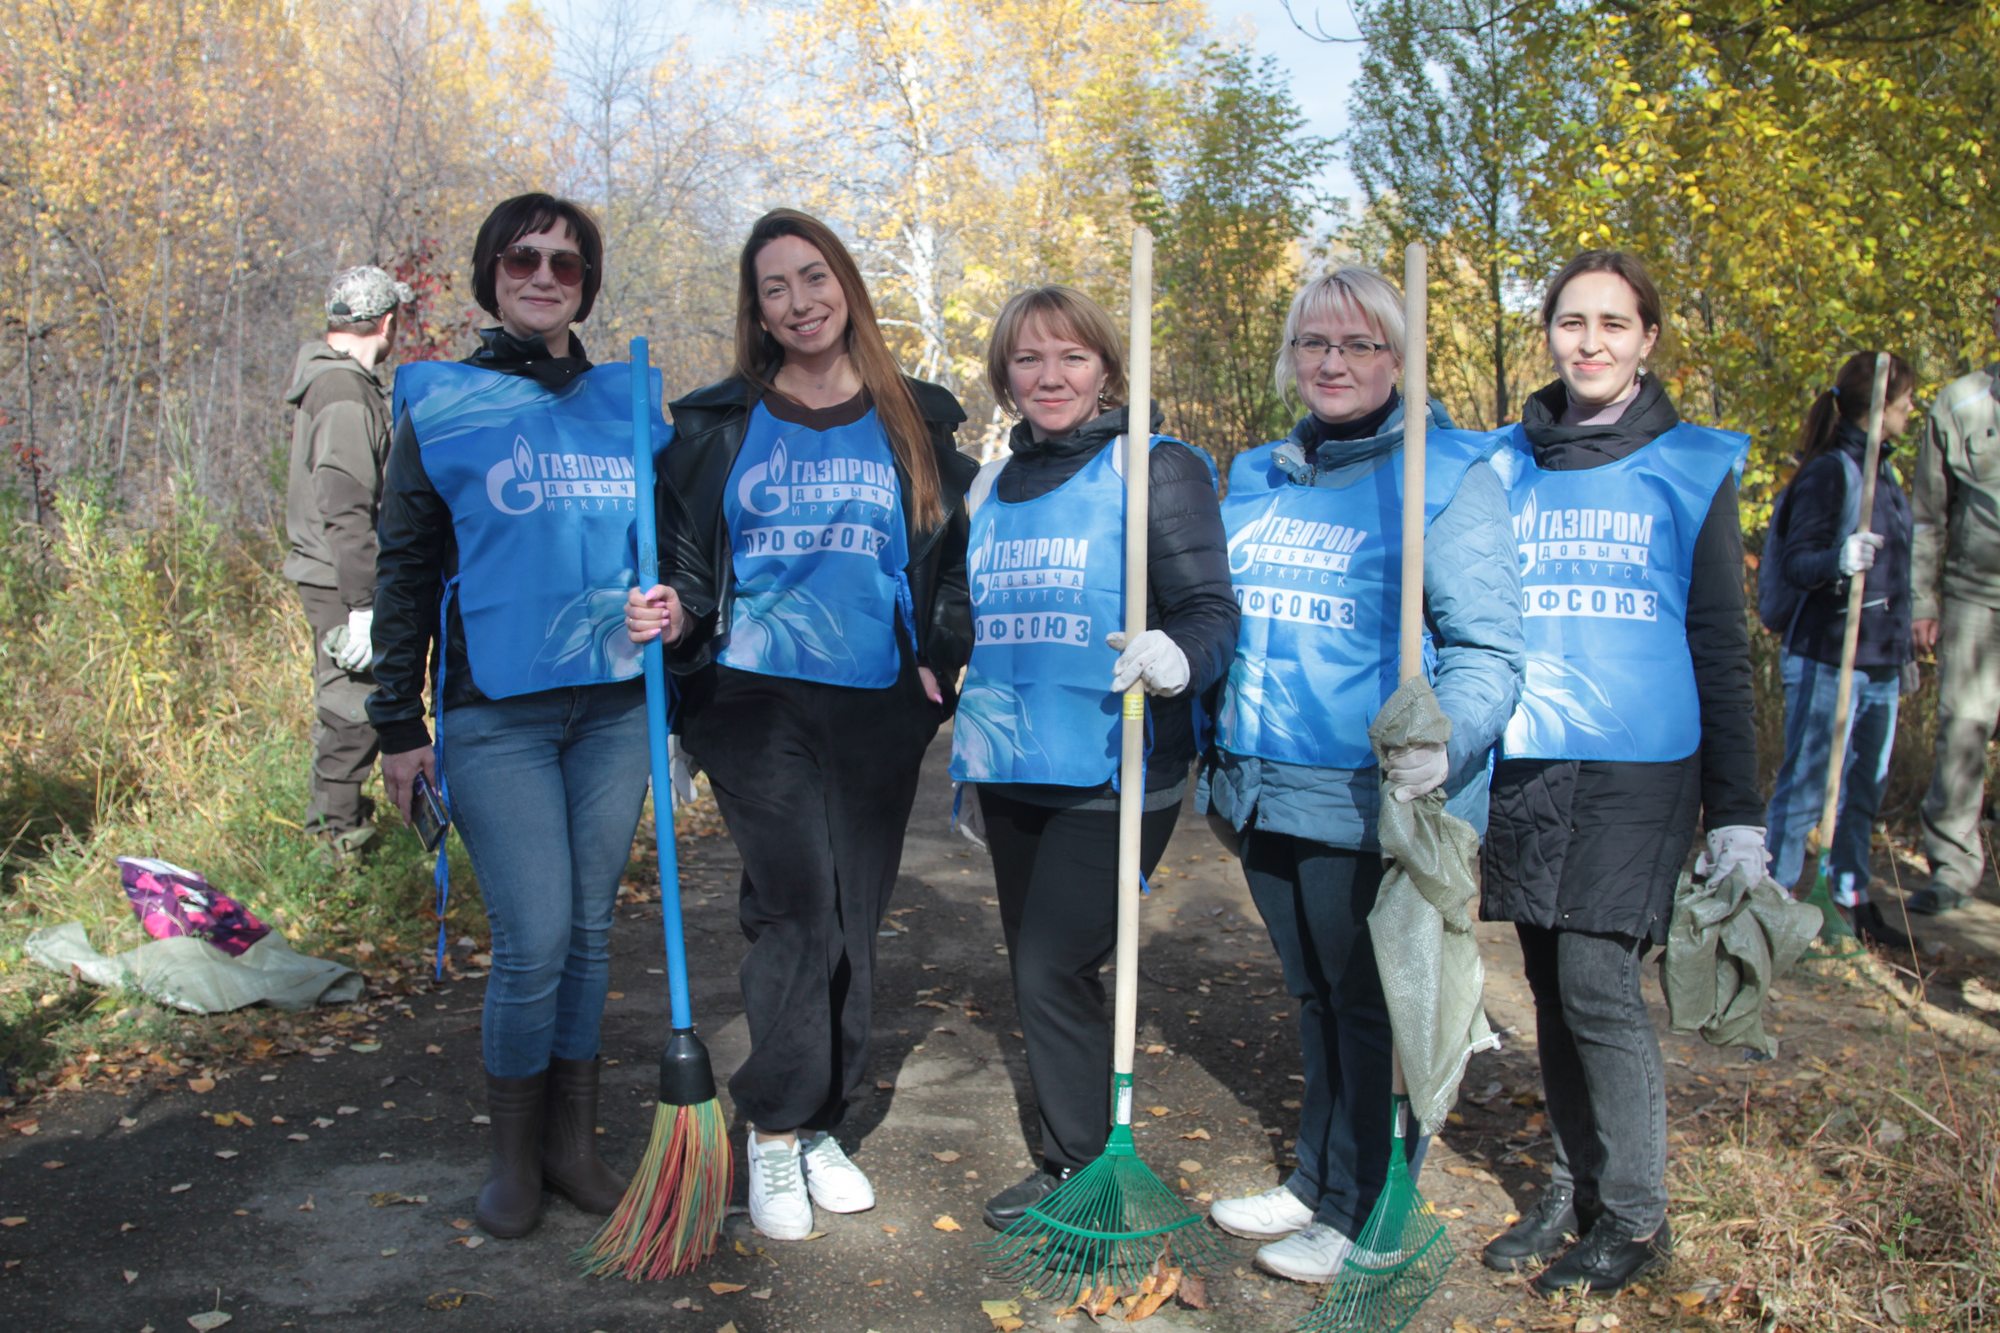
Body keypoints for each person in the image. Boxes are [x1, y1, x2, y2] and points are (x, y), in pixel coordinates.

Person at [624, 208, 973, 1242]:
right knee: (792, 906)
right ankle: (773, 1130)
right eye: (774, 288)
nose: (798, 302)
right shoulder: (713, 426)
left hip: (874, 699)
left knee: (852, 912)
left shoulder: (915, 417)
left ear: (846, 285)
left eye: (812, 278)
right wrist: (675, 614)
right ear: (757, 309)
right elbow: (689, 567)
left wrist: (938, 662)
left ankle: (823, 1116)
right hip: (751, 695)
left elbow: (949, 566)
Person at [1201, 268, 1524, 1283]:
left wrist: (1447, 740)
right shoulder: (1256, 473)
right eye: (1312, 344)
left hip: (1368, 798)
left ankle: (1366, 1204)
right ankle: (1314, 1178)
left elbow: (1485, 652)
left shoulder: (1448, 473)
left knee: (1370, 1005)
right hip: (1264, 781)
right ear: (1289, 356)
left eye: (1358, 344)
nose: (1332, 363)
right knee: (1313, 997)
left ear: (1398, 356)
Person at [370, 193, 655, 1239]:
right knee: (534, 935)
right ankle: (510, 1157)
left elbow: (671, 546)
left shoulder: (629, 403)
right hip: (495, 713)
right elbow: (401, 570)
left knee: (586, 932)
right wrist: (395, 724)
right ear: (490, 272)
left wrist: (677, 606)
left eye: (567, 263)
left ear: (588, 283)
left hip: (617, 707)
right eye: (523, 258)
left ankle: (572, 1148)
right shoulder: (441, 403)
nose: (545, 276)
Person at [1478, 250, 1761, 1295]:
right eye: (1569, 321)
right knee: (1548, 985)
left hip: (1641, 765)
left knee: (1598, 981)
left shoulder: (1689, 465)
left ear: (1646, 340)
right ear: (1545, 332)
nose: (1588, 341)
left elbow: (1717, 642)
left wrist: (1736, 811)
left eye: (1612, 322)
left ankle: (1634, 1216)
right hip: (1529, 756)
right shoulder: (1502, 463)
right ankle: (1573, 1183)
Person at [946, 286, 1237, 1230]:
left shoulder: (1155, 468)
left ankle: (1080, 1169)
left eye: (1071, 356)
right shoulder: (987, 485)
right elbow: (961, 605)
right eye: (1028, 360)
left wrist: (1179, 654)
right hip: (1010, 759)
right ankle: (1070, 1154)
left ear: (1107, 368)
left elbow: (1211, 612)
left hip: (1115, 763)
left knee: (1050, 965)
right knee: (1045, 966)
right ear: (1004, 378)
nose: (1050, 376)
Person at [1761, 352, 1918, 946]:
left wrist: (1902, 655)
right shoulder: (1831, 472)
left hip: (1880, 662)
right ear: (1879, 406)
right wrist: (1838, 558)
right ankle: (1774, 903)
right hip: (1829, 655)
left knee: (1862, 792)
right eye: (1903, 399)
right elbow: (1800, 562)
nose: (1910, 409)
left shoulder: (1886, 471)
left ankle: (1849, 900)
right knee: (1806, 787)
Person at [282, 265, 411, 855]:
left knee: (350, 705)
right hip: (341, 581)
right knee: (351, 710)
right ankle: (338, 846)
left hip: (337, 575)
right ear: (386, 322)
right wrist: (362, 606)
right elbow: (345, 504)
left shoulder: (335, 384)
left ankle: (340, 834)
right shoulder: (342, 391)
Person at [1908, 290, 2000, 915]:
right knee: (1965, 727)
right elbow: (1926, 515)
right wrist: (1920, 598)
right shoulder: (1959, 403)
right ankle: (1952, 866)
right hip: (1975, 597)